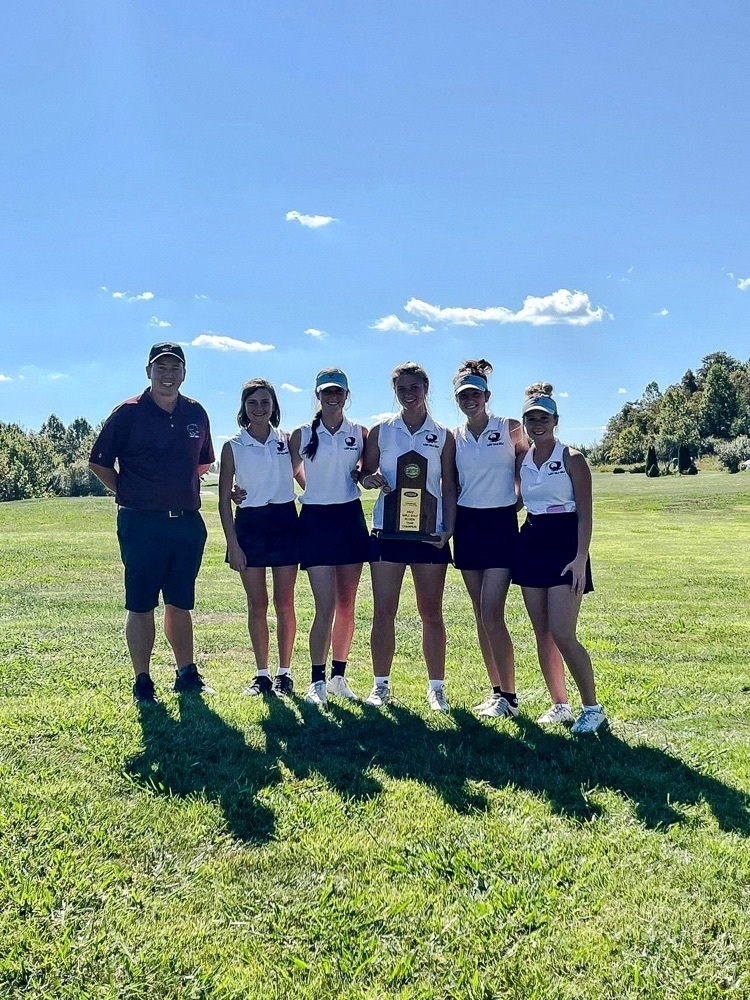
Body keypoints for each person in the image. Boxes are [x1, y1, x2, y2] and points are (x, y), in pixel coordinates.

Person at [88, 342, 215, 703]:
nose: (168, 374)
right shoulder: (128, 413)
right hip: (141, 523)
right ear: (148, 372)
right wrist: (127, 491)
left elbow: (203, 462)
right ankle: (142, 681)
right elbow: (99, 463)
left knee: (180, 601)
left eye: (175, 368)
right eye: (161, 367)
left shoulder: (195, 413)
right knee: (141, 603)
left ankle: (186, 673)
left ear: (184, 373)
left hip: (186, 523)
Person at [359, 362, 457, 712]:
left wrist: (449, 528)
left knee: (431, 613)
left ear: (426, 388)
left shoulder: (443, 434)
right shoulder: (381, 430)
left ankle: (436, 688)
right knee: (384, 611)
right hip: (388, 530)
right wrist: (369, 480)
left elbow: (449, 483)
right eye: (401, 388)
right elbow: (366, 471)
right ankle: (380, 685)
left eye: (414, 387)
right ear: (394, 391)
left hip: (429, 533)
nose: (408, 393)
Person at [514, 383, 608, 733]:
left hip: (566, 544)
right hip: (532, 541)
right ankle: (560, 705)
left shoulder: (572, 458)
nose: (537, 424)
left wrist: (581, 558)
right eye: (530, 418)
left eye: (543, 418)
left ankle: (592, 708)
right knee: (543, 633)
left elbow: (585, 513)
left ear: (555, 420)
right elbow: (519, 502)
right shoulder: (523, 458)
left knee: (563, 632)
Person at [288, 368, 370, 705]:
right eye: (326, 392)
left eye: (338, 392)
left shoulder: (360, 433)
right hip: (316, 521)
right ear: (318, 395)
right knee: (325, 605)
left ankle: (339, 676)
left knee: (347, 606)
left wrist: (364, 478)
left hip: (349, 519)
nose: (332, 397)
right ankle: (316, 680)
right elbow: (292, 469)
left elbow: (365, 473)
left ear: (346, 396)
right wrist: (315, 490)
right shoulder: (302, 433)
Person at [451, 359, 528, 718]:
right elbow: (449, 484)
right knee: (481, 615)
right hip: (468, 526)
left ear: (487, 395)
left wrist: (518, 499)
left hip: (500, 525)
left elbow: (527, 467)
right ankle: (497, 691)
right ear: (457, 398)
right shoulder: (455, 437)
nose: (470, 400)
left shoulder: (510, 428)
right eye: (463, 394)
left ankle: (510, 696)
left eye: (475, 393)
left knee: (491, 612)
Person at [218, 379, 299, 697]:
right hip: (250, 525)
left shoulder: (288, 440)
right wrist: (233, 544)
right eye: (253, 403)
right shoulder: (233, 446)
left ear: (274, 407)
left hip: (284, 521)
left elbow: (303, 473)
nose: (260, 408)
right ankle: (262, 674)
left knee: (285, 603)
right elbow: (225, 498)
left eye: (266, 402)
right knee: (257, 604)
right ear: (244, 408)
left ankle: (284, 674)